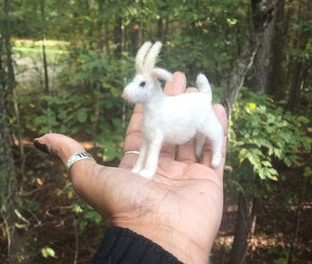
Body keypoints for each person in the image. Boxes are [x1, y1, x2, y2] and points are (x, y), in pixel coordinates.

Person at [33, 72, 228, 264]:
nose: (129, 90)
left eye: (141, 84)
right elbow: (146, 140)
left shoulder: (179, 107)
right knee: (148, 137)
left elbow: (155, 141)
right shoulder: (149, 114)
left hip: (194, 111)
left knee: (210, 129)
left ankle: (212, 148)